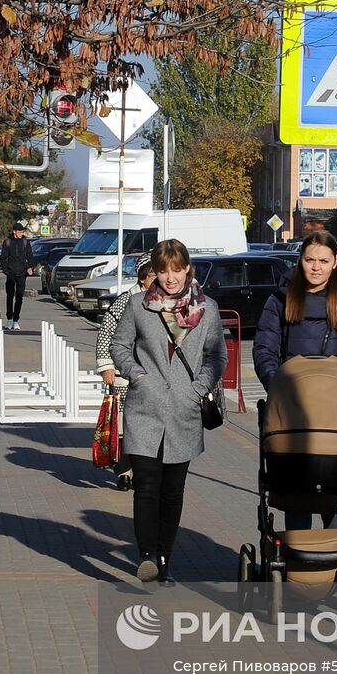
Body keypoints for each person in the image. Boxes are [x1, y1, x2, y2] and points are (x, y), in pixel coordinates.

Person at [112, 239, 226, 584]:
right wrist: (137, 375)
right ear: (155, 272)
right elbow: (119, 345)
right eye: (163, 270)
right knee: (146, 485)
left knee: (172, 491)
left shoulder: (208, 309)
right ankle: (146, 555)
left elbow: (216, 356)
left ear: (187, 268)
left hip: (184, 410)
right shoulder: (137, 306)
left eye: (176, 269)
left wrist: (197, 390)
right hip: (144, 408)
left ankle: (165, 555)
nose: (170, 277)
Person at [253, 230, 337, 530]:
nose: (316, 267)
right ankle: (296, 557)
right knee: (295, 492)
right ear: (300, 261)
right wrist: (279, 390)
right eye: (310, 259)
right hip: (292, 413)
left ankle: (335, 555)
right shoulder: (280, 301)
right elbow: (265, 351)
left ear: (336, 262)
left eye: (323, 261)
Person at [93, 253, 154, 490]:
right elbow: (106, 333)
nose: (157, 280)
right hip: (122, 375)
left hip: (149, 376)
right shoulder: (125, 301)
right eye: (152, 276)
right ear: (142, 278)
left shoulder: (159, 301)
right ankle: (123, 471)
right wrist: (106, 367)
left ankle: (139, 470)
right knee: (121, 425)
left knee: (142, 427)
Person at [0, 221, 34, 331]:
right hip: (11, 273)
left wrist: (30, 267)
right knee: (10, 296)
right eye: (19, 231)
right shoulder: (8, 242)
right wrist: (6, 271)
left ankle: (16, 320)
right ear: (14, 232)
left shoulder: (25, 242)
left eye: (22, 231)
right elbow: (3, 258)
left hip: (22, 274)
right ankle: (9, 319)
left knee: (19, 297)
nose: (21, 233)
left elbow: (30, 257)